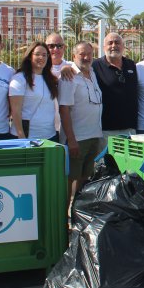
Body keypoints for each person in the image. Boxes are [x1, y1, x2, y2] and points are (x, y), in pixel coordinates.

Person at [58, 41, 103, 205]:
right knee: (69, 180)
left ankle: (78, 214)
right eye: (82, 54)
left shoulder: (92, 72)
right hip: (77, 139)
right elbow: (64, 110)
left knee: (85, 180)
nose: (86, 57)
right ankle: (64, 221)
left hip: (93, 136)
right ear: (73, 56)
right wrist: (71, 140)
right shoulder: (68, 77)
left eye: (89, 54)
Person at [92, 32, 139, 144]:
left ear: (123, 46)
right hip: (105, 130)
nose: (114, 45)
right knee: (106, 161)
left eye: (117, 42)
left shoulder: (131, 65)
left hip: (130, 129)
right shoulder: (95, 66)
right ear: (104, 47)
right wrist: (66, 69)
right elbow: (78, 68)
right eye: (110, 43)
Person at [9, 42, 59, 141]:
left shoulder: (51, 79)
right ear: (29, 56)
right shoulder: (20, 78)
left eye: (44, 55)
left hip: (50, 135)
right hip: (27, 137)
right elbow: (16, 110)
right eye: (37, 54)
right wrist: (21, 136)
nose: (41, 57)